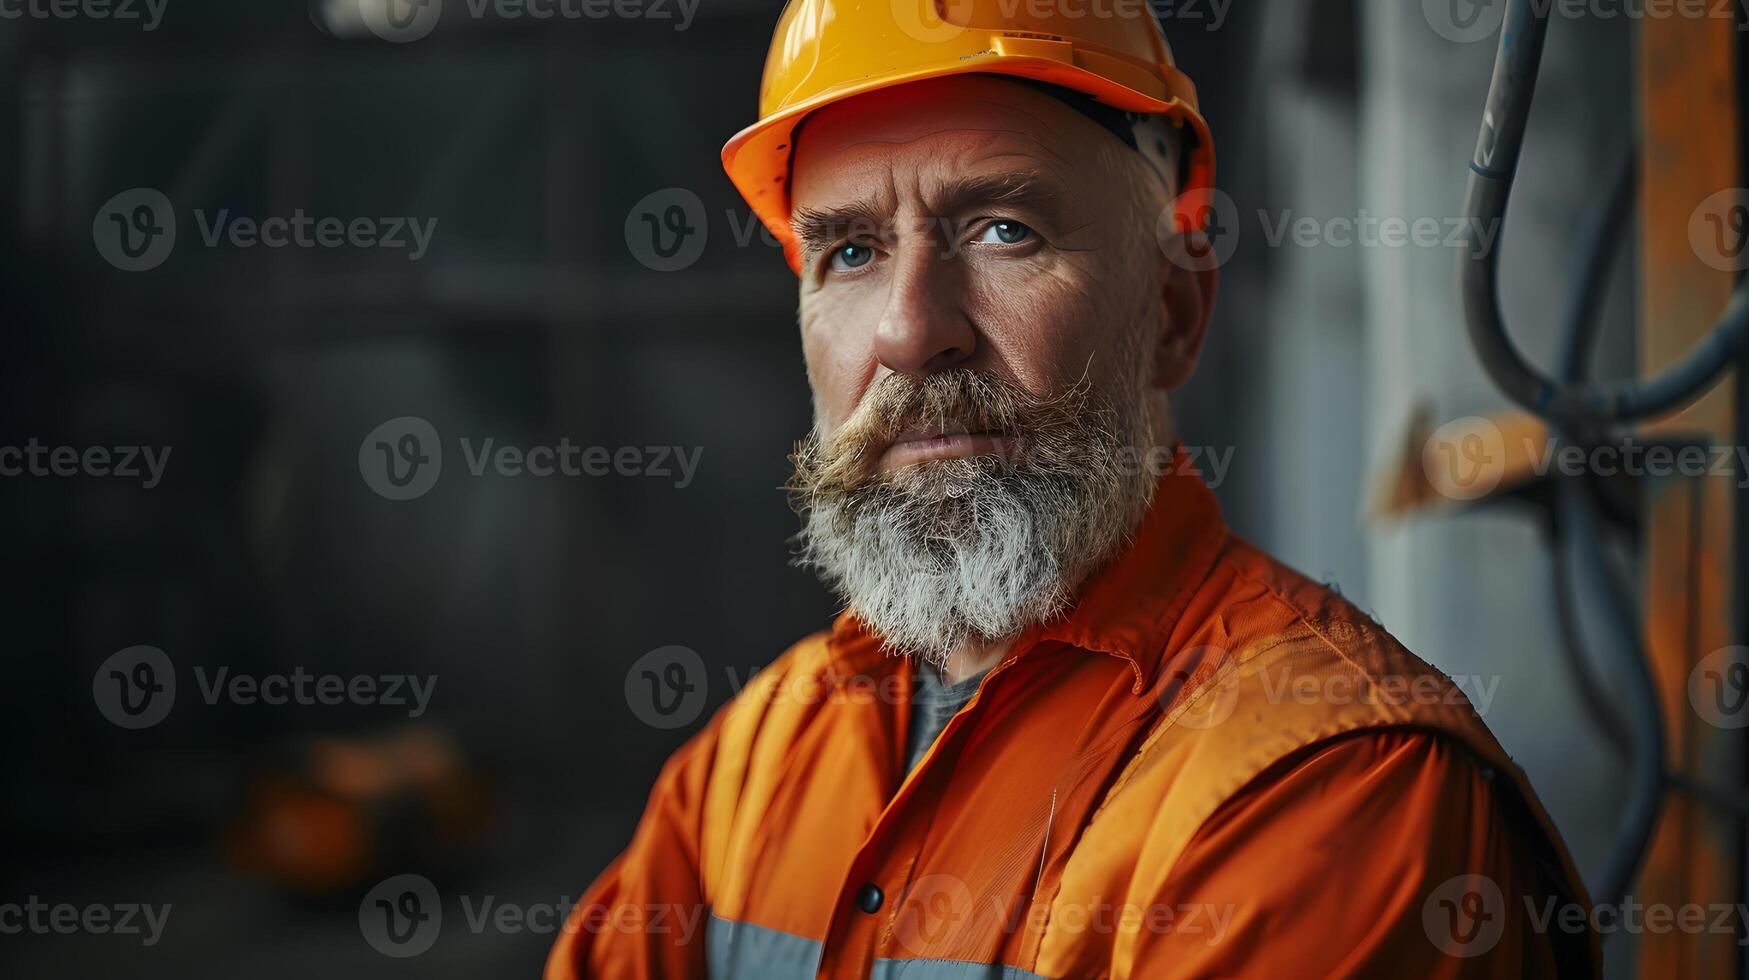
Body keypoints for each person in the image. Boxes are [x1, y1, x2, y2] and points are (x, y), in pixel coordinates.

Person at [548, 1, 1596, 976]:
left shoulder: (1330, 787)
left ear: (1174, 315)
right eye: (852, 250)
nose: (912, 330)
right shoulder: (755, 762)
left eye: (1007, 229)